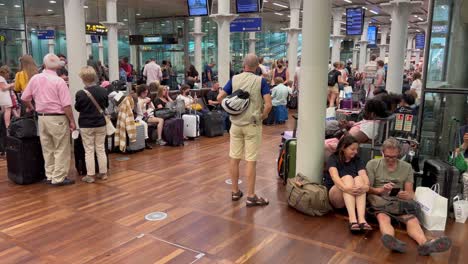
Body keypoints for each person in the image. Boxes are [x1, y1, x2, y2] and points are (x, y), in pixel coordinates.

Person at [367, 138, 452, 255]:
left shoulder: (406, 167)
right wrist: (382, 189)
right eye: (387, 156)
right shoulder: (372, 164)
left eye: (394, 157)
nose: (390, 160)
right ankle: (390, 239)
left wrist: (407, 195)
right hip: (380, 199)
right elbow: (368, 189)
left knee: (412, 220)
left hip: (399, 201)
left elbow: (410, 193)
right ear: (382, 152)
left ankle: (425, 243)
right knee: (383, 218)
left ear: (399, 154)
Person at [217, 54, 272, 207]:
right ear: (257, 67)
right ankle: (251, 196)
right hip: (252, 125)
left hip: (235, 125)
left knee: (234, 158)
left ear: (244, 65)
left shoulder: (234, 79)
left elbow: (220, 97)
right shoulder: (261, 81)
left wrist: (232, 108)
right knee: (250, 160)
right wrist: (262, 116)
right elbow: (268, 105)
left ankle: (235, 192)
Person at [21, 53, 76, 186]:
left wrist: (32, 107)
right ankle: (59, 178)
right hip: (57, 118)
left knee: (48, 148)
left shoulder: (35, 78)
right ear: (58, 66)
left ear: (44, 64)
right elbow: (66, 105)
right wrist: (72, 121)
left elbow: (24, 98)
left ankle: (50, 175)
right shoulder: (59, 81)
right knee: (61, 148)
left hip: (42, 118)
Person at [324, 135, 372, 233]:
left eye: (356, 149)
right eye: (352, 149)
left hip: (351, 196)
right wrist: (346, 189)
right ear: (343, 148)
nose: (355, 152)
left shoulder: (357, 160)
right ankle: (352, 219)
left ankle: (362, 219)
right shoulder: (333, 158)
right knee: (348, 178)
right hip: (336, 195)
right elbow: (335, 177)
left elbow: (364, 176)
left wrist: (366, 186)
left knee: (359, 179)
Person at [74, 66, 109, 183]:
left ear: (83, 78)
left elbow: (78, 108)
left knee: (89, 150)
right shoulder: (104, 91)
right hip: (100, 123)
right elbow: (106, 105)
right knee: (100, 148)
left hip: (86, 124)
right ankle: (103, 173)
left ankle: (90, 175)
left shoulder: (80, 93)